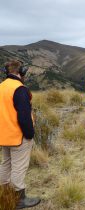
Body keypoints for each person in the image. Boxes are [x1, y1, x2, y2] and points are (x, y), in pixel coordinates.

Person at [0, 60, 41, 209]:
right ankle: (19, 199)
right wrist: (29, 134)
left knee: (5, 163)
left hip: (3, 135)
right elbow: (23, 116)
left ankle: (4, 192)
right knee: (19, 167)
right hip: (18, 136)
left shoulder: (1, 87)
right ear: (21, 72)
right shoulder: (19, 89)